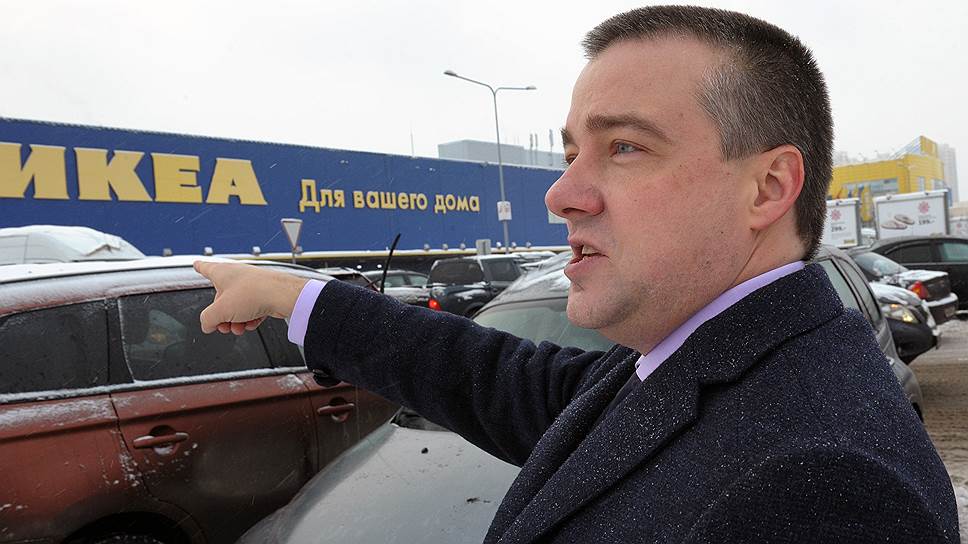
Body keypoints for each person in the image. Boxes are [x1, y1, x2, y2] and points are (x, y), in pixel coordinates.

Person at [195, 6, 958, 543]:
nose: (561, 194)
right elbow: (496, 379)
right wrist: (298, 297)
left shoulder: (821, 486)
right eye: (570, 154)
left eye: (624, 146)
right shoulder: (693, 359)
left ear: (767, 188)